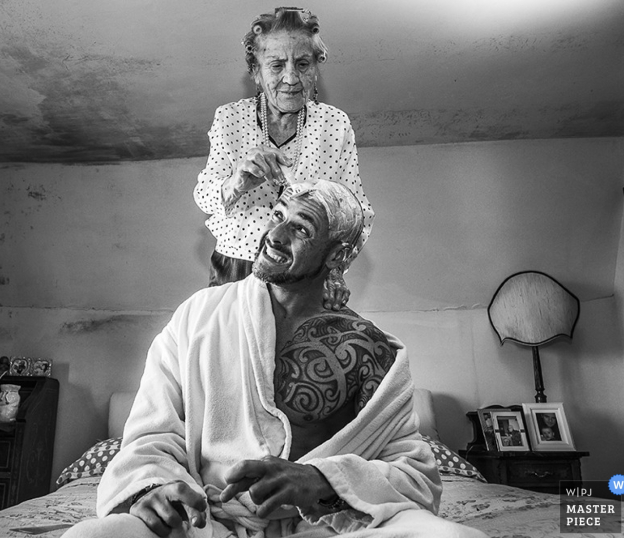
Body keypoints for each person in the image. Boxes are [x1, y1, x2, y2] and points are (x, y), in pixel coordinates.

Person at [64, 181, 485, 538]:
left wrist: (323, 481)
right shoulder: (199, 315)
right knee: (91, 536)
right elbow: (150, 434)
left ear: (336, 255)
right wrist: (153, 488)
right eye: (277, 215)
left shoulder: (369, 349)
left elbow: (414, 475)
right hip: (206, 522)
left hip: (325, 525)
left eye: (299, 228)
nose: (275, 234)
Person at [194, 7, 375, 310]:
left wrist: (335, 271)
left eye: (303, 64)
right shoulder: (230, 118)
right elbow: (204, 196)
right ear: (256, 71)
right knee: (229, 354)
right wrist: (236, 182)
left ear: (315, 68)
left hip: (305, 271)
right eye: (276, 65)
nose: (291, 78)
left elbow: (357, 213)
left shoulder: (334, 124)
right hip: (237, 266)